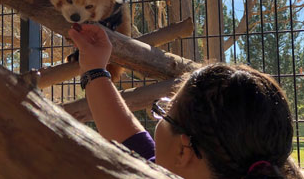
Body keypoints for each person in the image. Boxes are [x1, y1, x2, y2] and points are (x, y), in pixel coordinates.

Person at [68, 23, 303, 179]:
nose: (157, 117)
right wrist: (95, 70)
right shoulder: (182, 166)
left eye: (165, 111)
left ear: (184, 151)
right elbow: (131, 139)